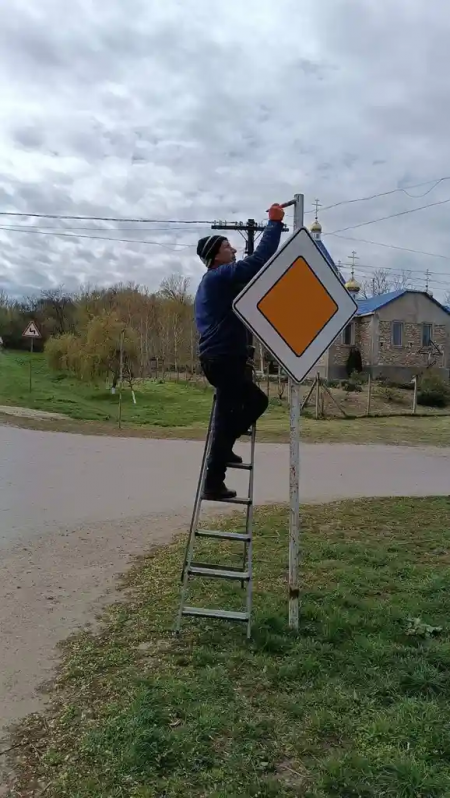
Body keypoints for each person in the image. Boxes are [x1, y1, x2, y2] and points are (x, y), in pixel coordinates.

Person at [194, 203, 285, 500]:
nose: (233, 249)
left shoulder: (217, 283)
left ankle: (217, 469)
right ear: (215, 256)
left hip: (221, 359)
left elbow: (253, 281)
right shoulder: (218, 277)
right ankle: (219, 459)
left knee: (227, 416)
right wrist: (274, 224)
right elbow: (257, 261)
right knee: (257, 402)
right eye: (227, 247)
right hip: (223, 359)